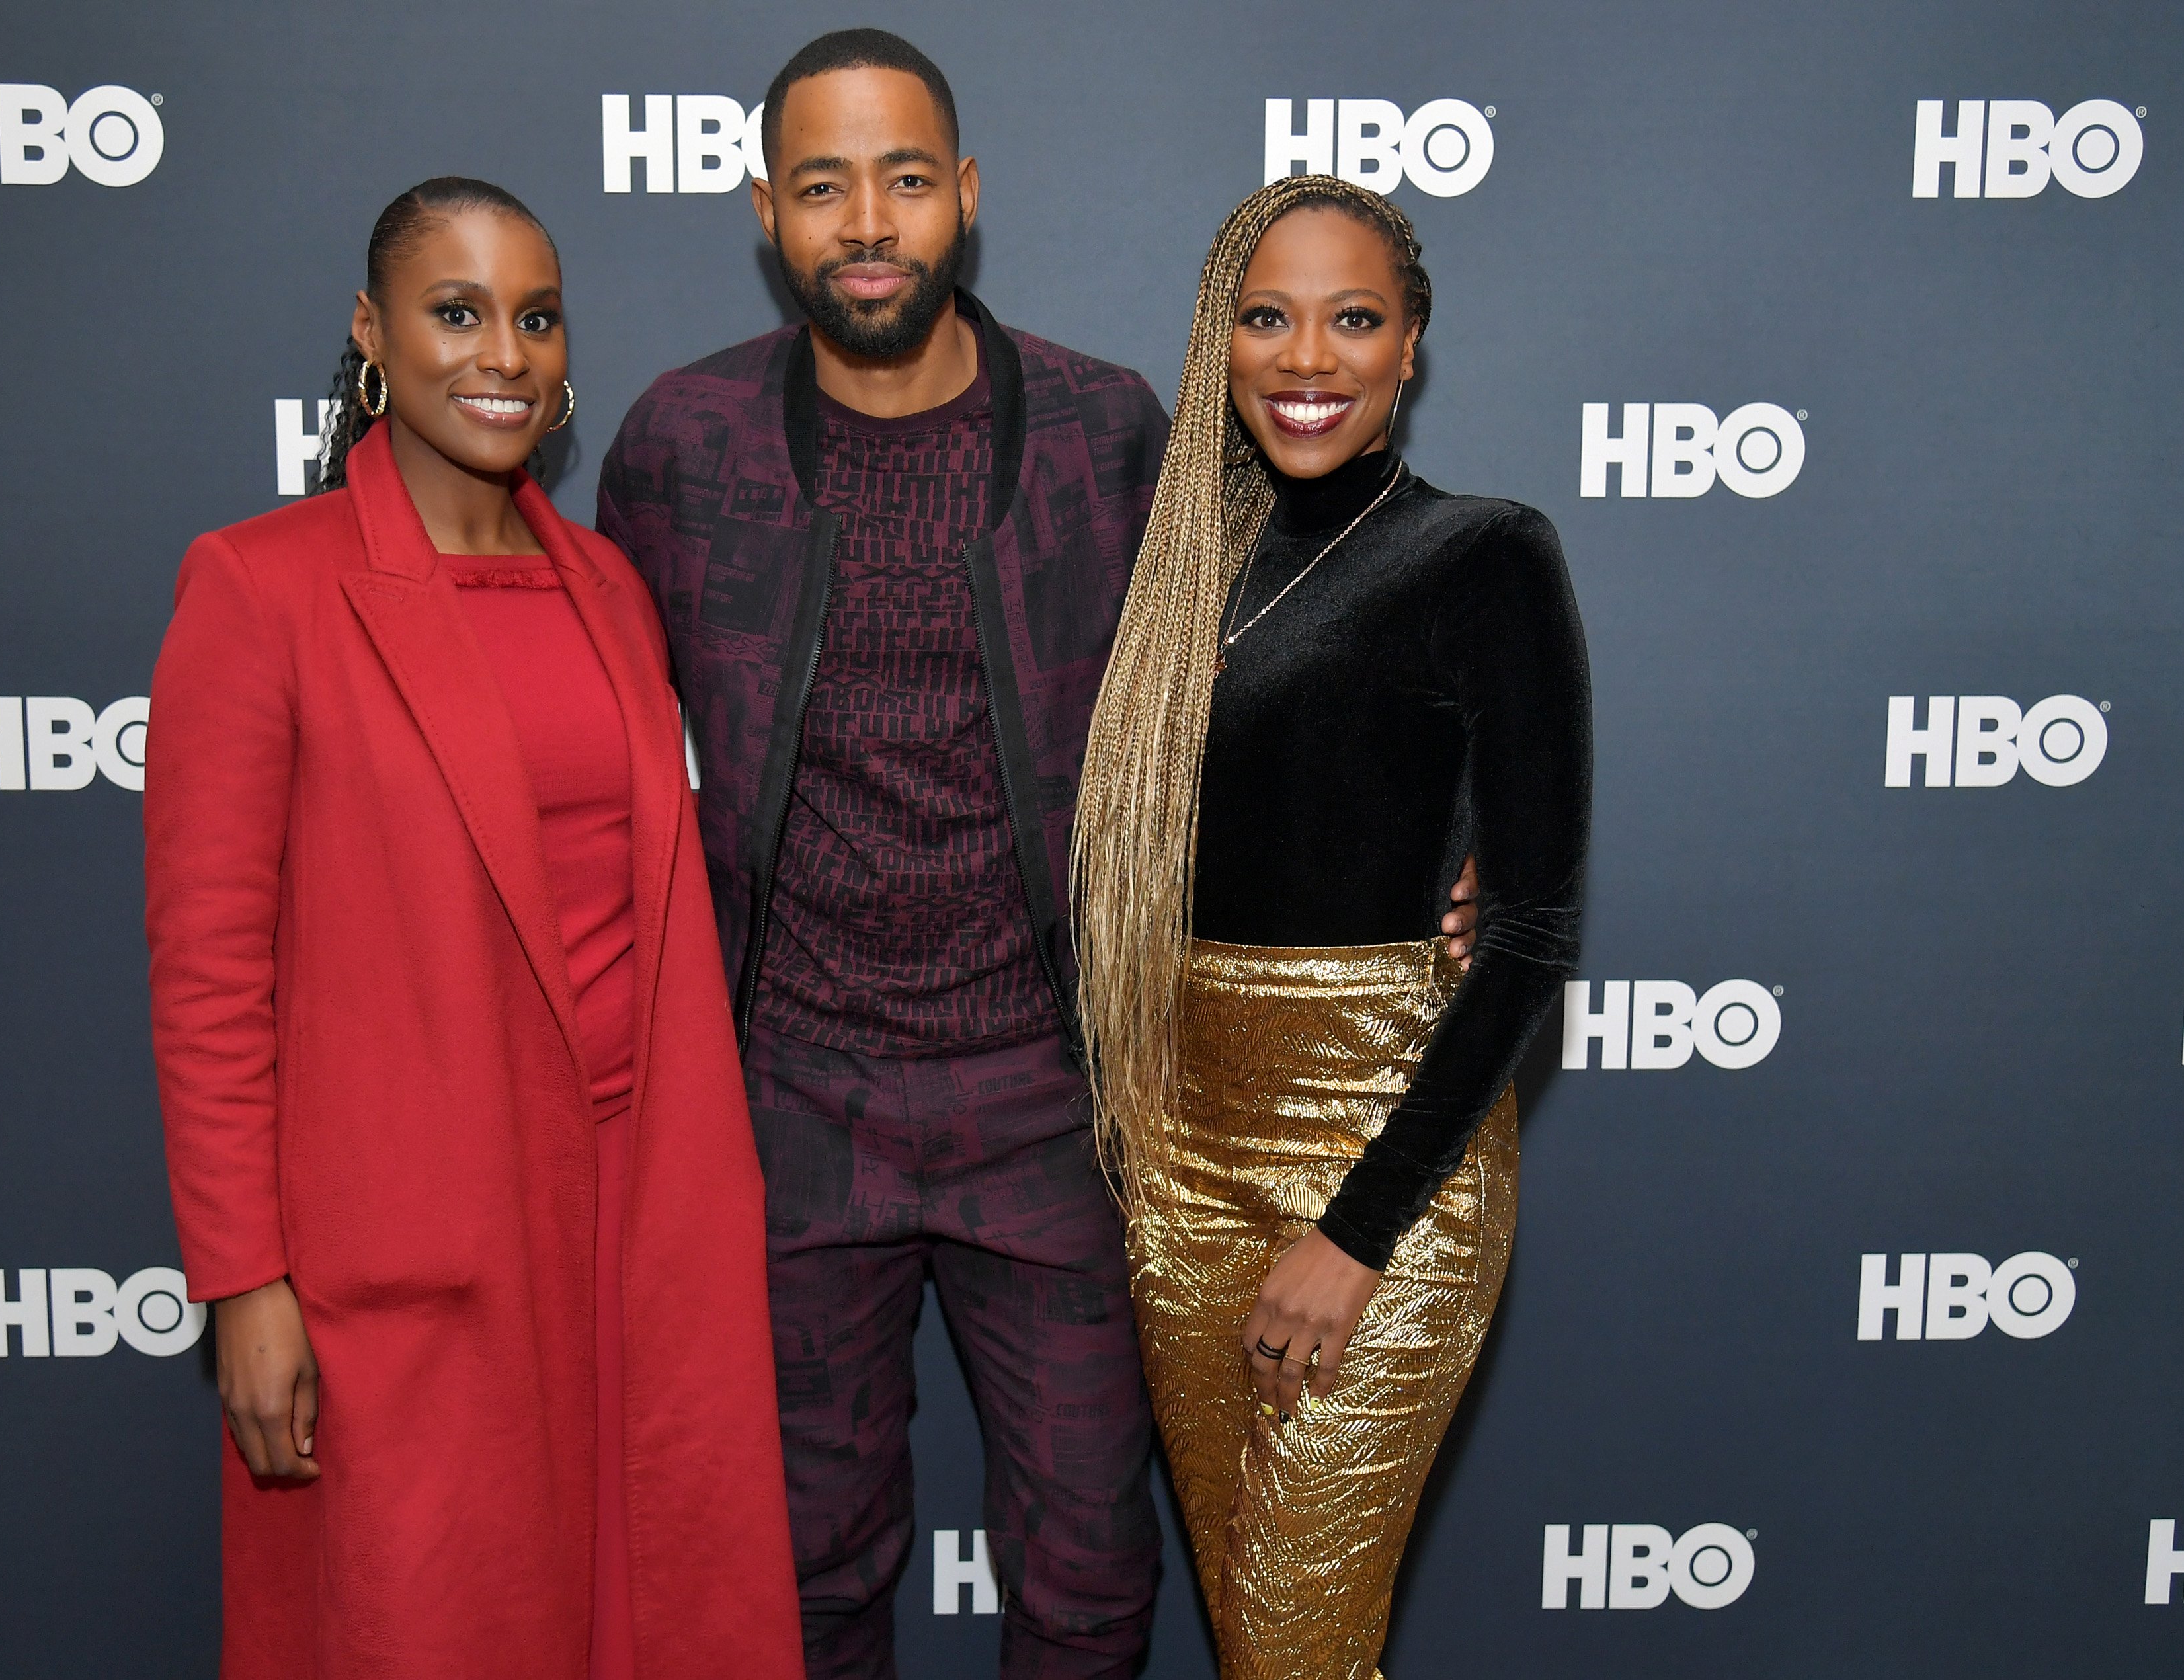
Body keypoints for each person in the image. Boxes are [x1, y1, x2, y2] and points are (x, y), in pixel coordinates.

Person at [596, 32, 1480, 1679]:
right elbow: (581, 736)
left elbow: (1242, 694)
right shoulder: (679, 446)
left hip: (1054, 1100)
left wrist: (1434, 844)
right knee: (806, 1564)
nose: (869, 221)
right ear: (766, 213)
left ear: (967, 199)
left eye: (906, 179)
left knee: (1087, 1572)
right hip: (784, 1100)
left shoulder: (1103, 431)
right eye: (823, 185)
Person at [143, 177, 801, 1680]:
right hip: (417, 1235)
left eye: (536, 316)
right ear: (373, 333)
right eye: (457, 311)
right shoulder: (260, 586)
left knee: (661, 1611)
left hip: (644, 1210)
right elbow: (209, 972)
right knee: (438, 1620)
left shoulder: (609, 587)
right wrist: (244, 1282)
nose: (502, 350)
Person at [1071, 173, 1592, 1678]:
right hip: (1178, 1159)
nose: (1309, 357)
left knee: (1296, 1639)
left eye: (1353, 318)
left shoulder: (1484, 554)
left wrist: (1358, 1230)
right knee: (1262, 1636)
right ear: (1216, 339)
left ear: (1411, 344)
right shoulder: (1180, 577)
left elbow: (1533, 927)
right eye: (1268, 316)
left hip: (1382, 1164)